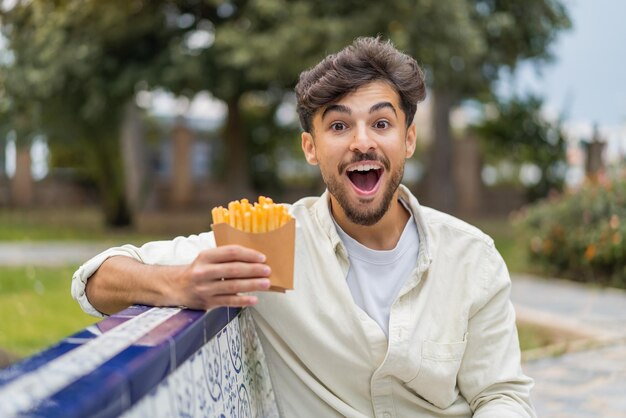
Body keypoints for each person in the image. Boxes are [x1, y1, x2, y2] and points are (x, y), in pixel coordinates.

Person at [72, 37, 536, 417]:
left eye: (381, 122)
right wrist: (179, 283)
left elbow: (502, 395)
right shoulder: (267, 240)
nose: (362, 142)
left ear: (408, 139)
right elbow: (95, 280)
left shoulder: (471, 257)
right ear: (310, 148)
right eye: (338, 126)